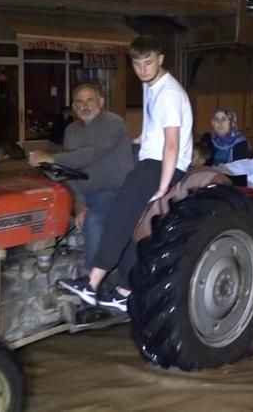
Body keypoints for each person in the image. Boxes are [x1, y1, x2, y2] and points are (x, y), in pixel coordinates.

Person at [57, 35, 193, 313]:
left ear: (160, 59)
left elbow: (171, 143)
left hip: (160, 165)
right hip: (152, 158)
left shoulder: (169, 93)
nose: (143, 69)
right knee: (132, 226)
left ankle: (92, 285)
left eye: (149, 62)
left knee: (118, 216)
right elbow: (154, 125)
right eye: (138, 63)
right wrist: (139, 139)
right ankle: (125, 290)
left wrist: (163, 186)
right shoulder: (151, 85)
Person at [28, 83, 134, 270]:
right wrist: (79, 203)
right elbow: (69, 170)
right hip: (87, 194)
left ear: (100, 102)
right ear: (74, 107)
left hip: (114, 191)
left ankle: (93, 283)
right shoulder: (71, 131)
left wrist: (52, 157)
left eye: (89, 100)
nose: (84, 105)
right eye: (79, 102)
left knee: (93, 221)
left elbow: (91, 153)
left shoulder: (113, 122)